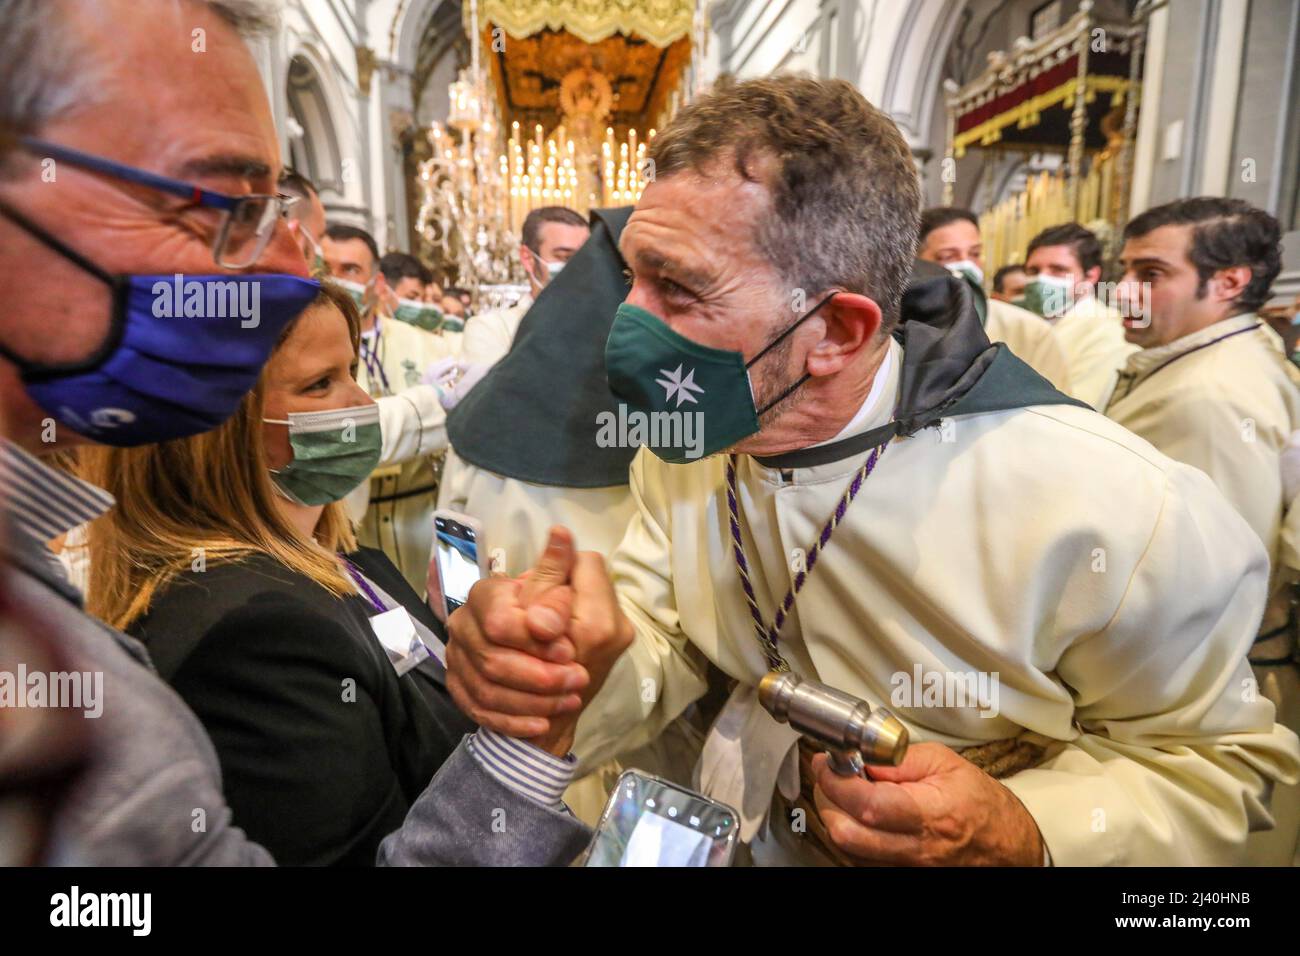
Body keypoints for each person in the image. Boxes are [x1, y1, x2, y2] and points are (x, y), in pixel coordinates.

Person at [444, 74, 1300, 866]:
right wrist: (574, 672)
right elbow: (668, 629)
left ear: (839, 332)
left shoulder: (1112, 506)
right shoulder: (690, 440)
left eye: (680, 290)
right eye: (633, 278)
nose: (625, 325)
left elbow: (1215, 765)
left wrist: (1028, 828)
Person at [0, 0, 587, 867]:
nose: (285, 265)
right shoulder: (235, 624)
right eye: (223, 205)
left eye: (273, 207)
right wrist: (522, 743)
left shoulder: (37, 580)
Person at [76, 282, 484, 865]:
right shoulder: (253, 637)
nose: (363, 405)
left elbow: (394, 675)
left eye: (351, 372)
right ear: (216, 434)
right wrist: (530, 754)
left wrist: (450, 642)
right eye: (320, 384)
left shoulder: (324, 552)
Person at [1104, 197, 1300, 863]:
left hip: (1193, 700)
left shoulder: (1209, 395)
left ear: (1229, 282)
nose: (1122, 292)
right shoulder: (1219, 357)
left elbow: (1213, 584)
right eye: (1123, 269)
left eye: (1150, 274)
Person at [322, 222, 457, 592]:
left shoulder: (427, 344)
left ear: (377, 282)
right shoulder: (312, 352)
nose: (337, 280)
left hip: (419, 516)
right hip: (348, 527)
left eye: (351, 270)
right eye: (327, 268)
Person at [917, 207, 1070, 390]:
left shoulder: (1028, 331)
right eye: (948, 256)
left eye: (974, 254)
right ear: (916, 261)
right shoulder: (900, 325)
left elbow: (1057, 410)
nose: (967, 264)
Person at [459, 207, 590, 369]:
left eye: (584, 257)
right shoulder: (491, 329)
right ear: (528, 259)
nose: (577, 267)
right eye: (564, 257)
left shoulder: (604, 325)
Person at [1022, 222, 1136, 407]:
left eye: (1058, 270)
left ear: (1090, 276)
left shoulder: (1107, 330)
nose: (1042, 279)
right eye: (1034, 271)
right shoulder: (1023, 322)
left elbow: (1078, 408)